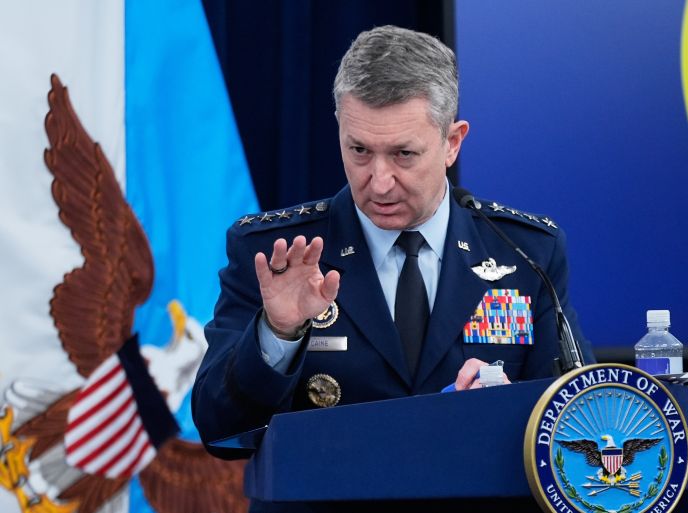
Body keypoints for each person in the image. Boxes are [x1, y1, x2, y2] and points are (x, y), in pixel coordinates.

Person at [192, 25, 594, 512]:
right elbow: (219, 429)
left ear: (452, 142)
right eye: (359, 150)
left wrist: (508, 414)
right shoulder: (278, 253)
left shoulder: (526, 253)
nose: (379, 182)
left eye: (404, 154)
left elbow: (579, 428)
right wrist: (277, 333)